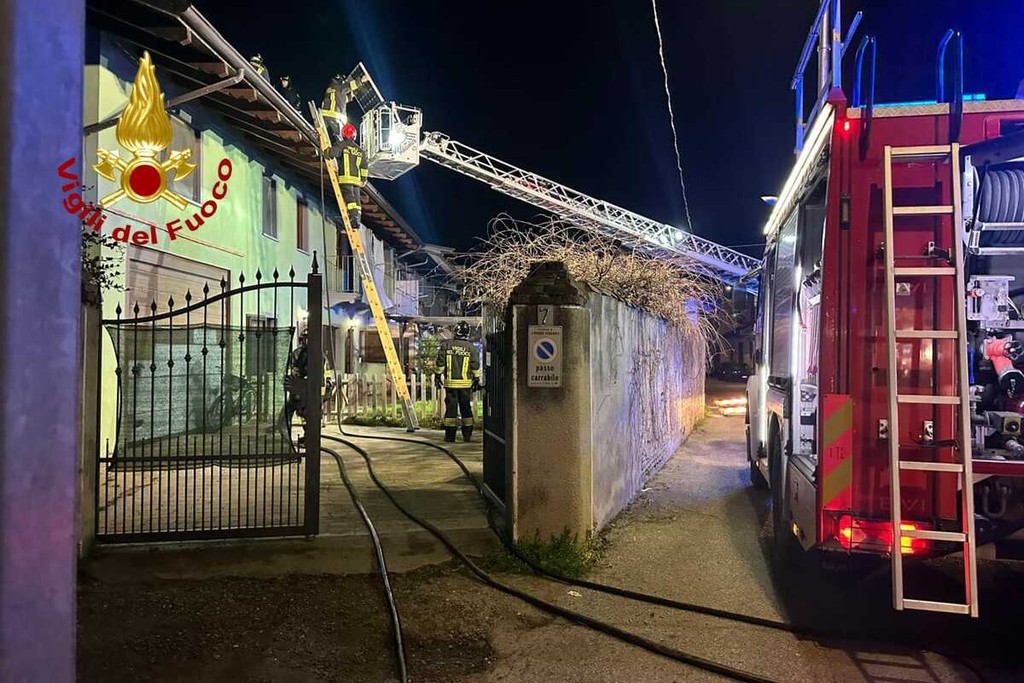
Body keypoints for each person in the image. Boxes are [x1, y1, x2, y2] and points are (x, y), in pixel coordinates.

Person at [435, 322, 480, 443]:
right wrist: (476, 379)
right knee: (466, 409)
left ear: (456, 331)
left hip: (451, 384)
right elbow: (475, 365)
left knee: (451, 410)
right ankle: (467, 435)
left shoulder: (446, 345)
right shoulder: (470, 347)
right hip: (465, 385)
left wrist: (437, 377)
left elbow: (440, 363)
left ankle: (450, 436)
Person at [326, 123, 368, 230]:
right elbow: (364, 167)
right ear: (354, 136)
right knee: (357, 201)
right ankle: (357, 219)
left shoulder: (342, 145)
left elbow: (332, 153)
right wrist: (363, 180)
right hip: (357, 181)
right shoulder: (360, 151)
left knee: (349, 198)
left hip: (346, 178)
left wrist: (327, 151)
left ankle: (354, 217)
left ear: (343, 134)